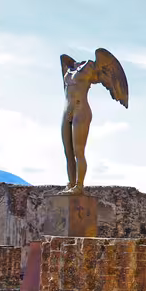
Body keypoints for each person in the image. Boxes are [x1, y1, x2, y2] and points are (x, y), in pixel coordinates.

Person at [59, 49, 127, 195]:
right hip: (66, 111)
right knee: (68, 152)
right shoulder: (68, 66)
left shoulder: (90, 67)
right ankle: (71, 183)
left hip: (80, 109)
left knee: (78, 151)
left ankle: (79, 186)